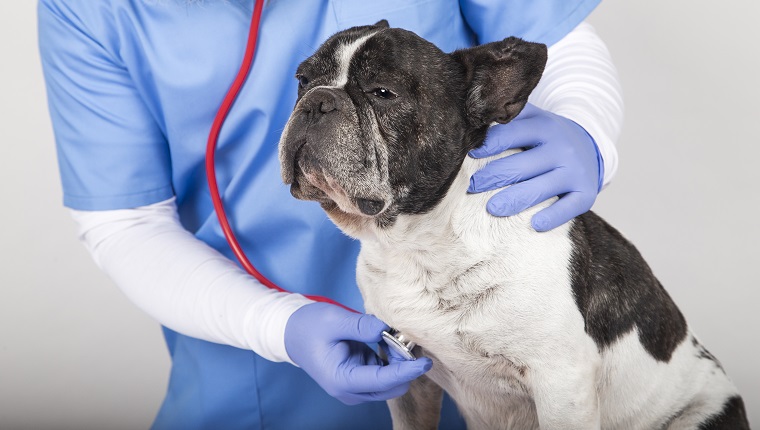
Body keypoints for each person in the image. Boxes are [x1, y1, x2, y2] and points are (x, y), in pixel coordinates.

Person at [38, 0, 623, 428]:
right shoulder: (89, 11)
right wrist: (276, 325)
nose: (320, 106)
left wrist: (588, 127)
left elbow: (555, 32)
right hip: (245, 387)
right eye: (310, 88)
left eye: (382, 94)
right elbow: (125, 222)